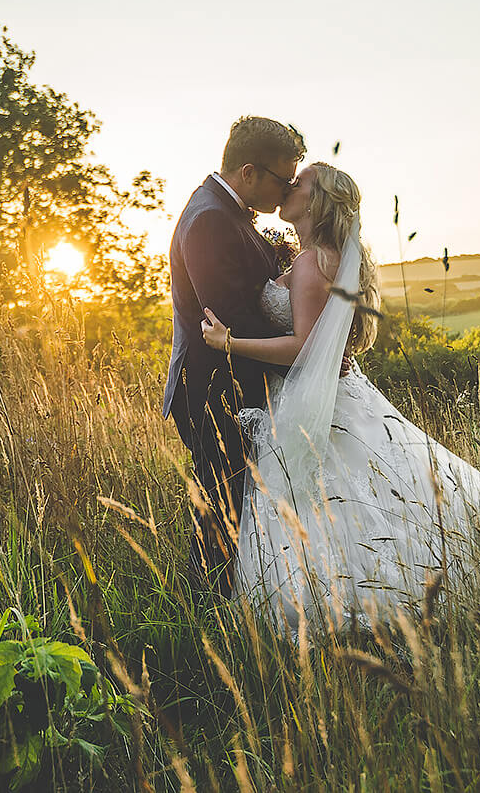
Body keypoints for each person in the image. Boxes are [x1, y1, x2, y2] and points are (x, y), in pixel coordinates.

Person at [201, 163, 480, 630]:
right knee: (378, 499)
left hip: (322, 400)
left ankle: (359, 597)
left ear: (316, 201)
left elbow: (305, 348)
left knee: (340, 498)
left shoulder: (311, 263)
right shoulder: (322, 255)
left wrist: (231, 344)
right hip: (336, 393)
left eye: (299, 183)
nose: (289, 186)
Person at [165, 115, 306, 602]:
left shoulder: (228, 213)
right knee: (221, 513)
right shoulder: (208, 220)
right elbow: (229, 319)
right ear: (249, 172)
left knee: (237, 508)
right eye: (282, 180)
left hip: (237, 383)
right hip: (213, 389)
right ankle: (206, 619)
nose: (286, 192)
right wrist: (308, 348)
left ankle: (224, 607)